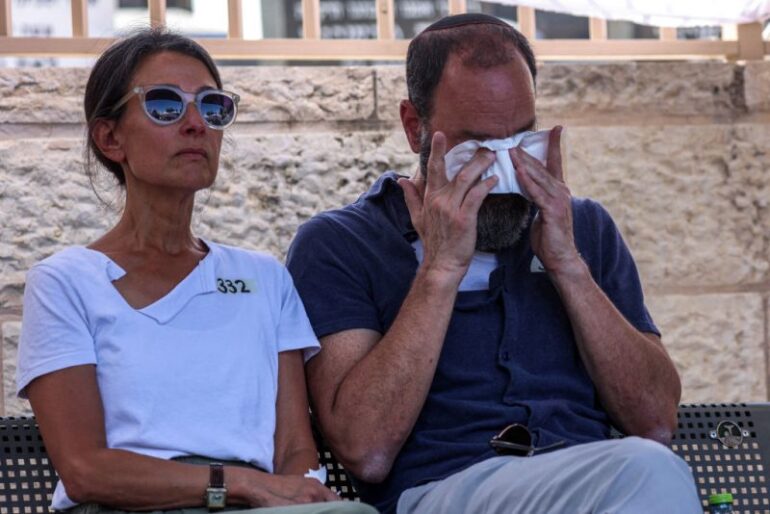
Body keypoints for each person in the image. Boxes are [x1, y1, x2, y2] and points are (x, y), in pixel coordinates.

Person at [286, 13, 702, 514]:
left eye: (522, 140)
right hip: (445, 490)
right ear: (415, 126)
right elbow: (365, 449)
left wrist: (568, 265)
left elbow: (655, 422)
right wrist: (438, 271)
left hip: (592, 481)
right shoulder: (342, 243)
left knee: (644, 465)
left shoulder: (581, 227)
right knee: (643, 470)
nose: (505, 171)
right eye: (480, 148)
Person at [15, 28, 376, 514]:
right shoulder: (65, 283)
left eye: (212, 107)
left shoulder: (264, 279)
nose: (195, 124)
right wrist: (239, 485)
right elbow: (85, 470)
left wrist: (282, 492)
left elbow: (295, 450)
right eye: (164, 105)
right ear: (110, 137)